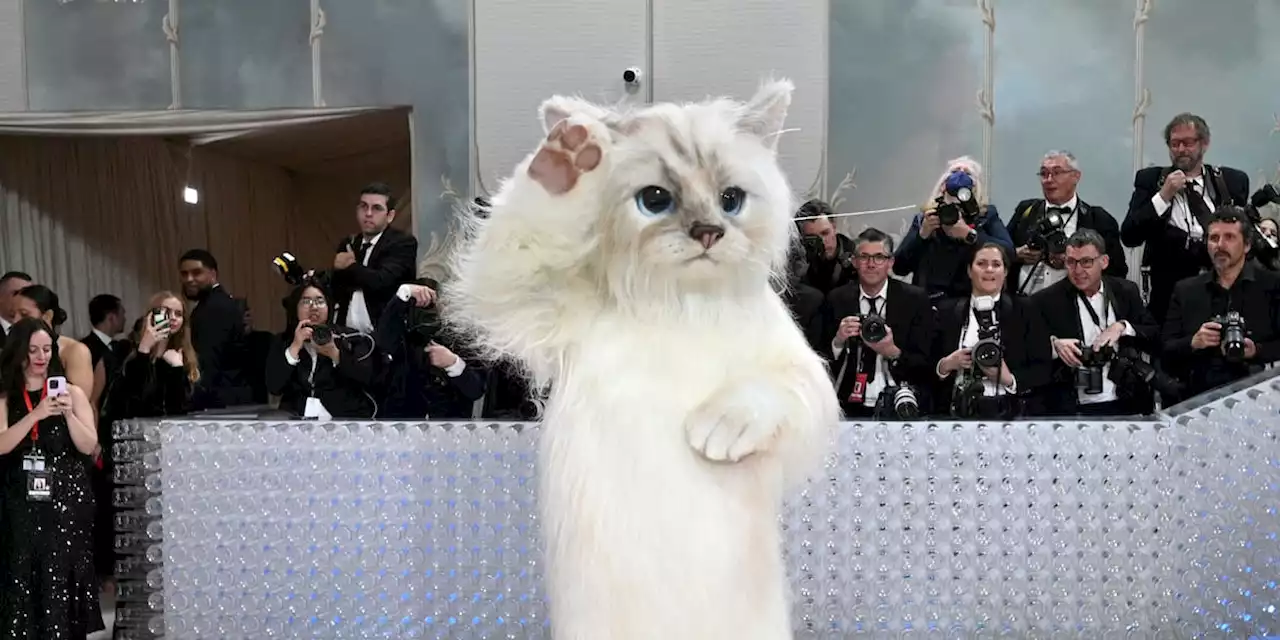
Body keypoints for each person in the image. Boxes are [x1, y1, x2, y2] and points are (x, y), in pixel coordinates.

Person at [0, 318, 104, 638]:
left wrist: (68, 413)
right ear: (18, 352)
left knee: (63, 571)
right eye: (32, 350)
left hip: (68, 498)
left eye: (47, 349)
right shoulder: (6, 395)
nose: (41, 357)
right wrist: (36, 413)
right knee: (24, 570)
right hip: (23, 498)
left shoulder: (70, 390)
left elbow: (89, 445)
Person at [1121, 113, 1249, 324]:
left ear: (1204, 144)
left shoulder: (1230, 181)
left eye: (1188, 143)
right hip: (1170, 297)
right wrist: (1163, 195)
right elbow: (1129, 235)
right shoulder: (1151, 180)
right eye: (1174, 144)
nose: (1180, 150)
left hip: (1223, 290)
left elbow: (1245, 231)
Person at [1033, 230, 1160, 416]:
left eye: (1086, 262)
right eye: (1071, 262)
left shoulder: (1125, 291)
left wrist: (1123, 327)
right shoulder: (1047, 300)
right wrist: (1053, 344)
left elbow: (1155, 336)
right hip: (1072, 407)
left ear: (1104, 262)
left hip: (1126, 400)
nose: (1077, 271)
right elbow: (1027, 350)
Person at [1161, 207, 1280, 399]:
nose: (1220, 245)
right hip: (1198, 401)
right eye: (1214, 238)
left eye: (1229, 238)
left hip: (1260, 399)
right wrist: (1193, 342)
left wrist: (1256, 351)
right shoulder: (1186, 291)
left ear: (1247, 244)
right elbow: (1166, 351)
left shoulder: (1273, 285)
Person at [929, 243, 1051, 418]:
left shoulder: (1025, 309)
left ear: (1006, 271)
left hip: (1011, 412)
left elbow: (1043, 368)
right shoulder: (947, 311)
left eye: (996, 264)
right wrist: (946, 365)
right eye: (981, 264)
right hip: (958, 412)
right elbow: (925, 363)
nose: (989, 270)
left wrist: (1009, 379)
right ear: (970, 271)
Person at [827, 228, 935, 417]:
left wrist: (892, 352)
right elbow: (821, 358)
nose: (871, 264)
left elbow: (926, 362)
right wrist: (838, 341)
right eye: (864, 257)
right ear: (854, 261)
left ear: (890, 262)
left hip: (901, 401)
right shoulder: (837, 299)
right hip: (850, 404)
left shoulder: (915, 300)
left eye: (879, 257)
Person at [1006, 151, 1126, 295]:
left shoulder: (1099, 220)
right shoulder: (1025, 211)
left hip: (1074, 306)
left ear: (1076, 176)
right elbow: (1000, 249)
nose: (1049, 179)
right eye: (1044, 174)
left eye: (1056, 173)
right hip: (1024, 303)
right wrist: (1017, 254)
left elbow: (1117, 271)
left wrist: (1075, 262)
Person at [893, 156, 1014, 300]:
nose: (960, 175)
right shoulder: (926, 218)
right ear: (943, 185)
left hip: (968, 302)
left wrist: (970, 235)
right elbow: (899, 267)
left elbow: (1009, 253)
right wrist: (922, 235)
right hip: (928, 302)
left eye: (967, 173)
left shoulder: (986, 216)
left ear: (975, 187)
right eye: (955, 171)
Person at [266, 282, 378, 419]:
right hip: (296, 420)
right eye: (306, 301)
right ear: (295, 308)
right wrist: (295, 347)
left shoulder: (350, 337)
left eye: (320, 301)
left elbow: (366, 378)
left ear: (328, 307)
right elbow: (274, 386)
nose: (313, 307)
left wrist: (334, 353)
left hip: (343, 418)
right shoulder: (283, 341)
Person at [329, 183, 419, 333]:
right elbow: (337, 288)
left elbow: (382, 281)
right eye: (363, 206)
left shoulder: (402, 243)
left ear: (390, 216)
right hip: (347, 335)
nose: (368, 213)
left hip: (385, 336)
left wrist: (350, 266)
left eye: (376, 208)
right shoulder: (349, 243)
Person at [11, 285, 97, 403]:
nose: (15, 321)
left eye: (24, 314)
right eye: (12, 315)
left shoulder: (74, 350)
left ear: (47, 316)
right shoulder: (12, 348)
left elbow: (81, 404)